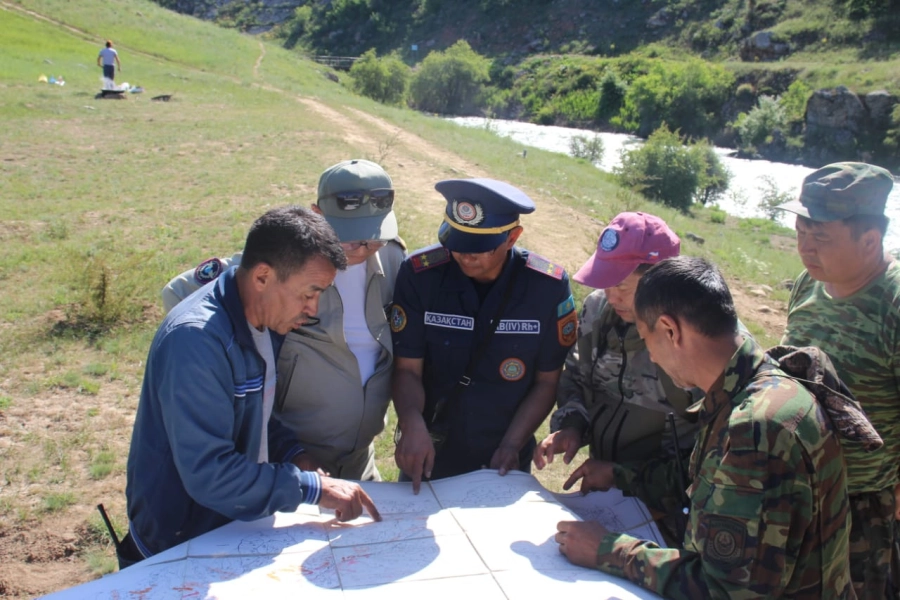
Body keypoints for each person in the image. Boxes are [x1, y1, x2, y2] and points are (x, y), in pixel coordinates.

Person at [555, 256, 868, 598]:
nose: (653, 357)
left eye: (646, 340)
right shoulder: (754, 388)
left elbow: (725, 589)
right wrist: (621, 476)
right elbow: (711, 483)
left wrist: (609, 550)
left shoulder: (756, 428)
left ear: (670, 330)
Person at [123, 206, 380, 568]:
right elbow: (210, 474)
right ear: (262, 276)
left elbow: (254, 414)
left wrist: (294, 454)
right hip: (179, 547)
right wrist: (311, 488)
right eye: (309, 293)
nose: (313, 308)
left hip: (230, 531)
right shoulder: (196, 342)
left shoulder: (262, 320)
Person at [160, 159, 405, 481]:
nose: (363, 249)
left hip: (359, 457)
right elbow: (177, 293)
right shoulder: (286, 265)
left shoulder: (393, 258)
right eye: (352, 239)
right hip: (291, 457)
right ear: (317, 215)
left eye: (374, 238)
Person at [390, 178, 577, 493]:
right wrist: (411, 422)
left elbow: (547, 381)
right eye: (457, 243)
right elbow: (408, 369)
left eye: (479, 248)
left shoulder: (547, 287)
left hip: (503, 452)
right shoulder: (420, 276)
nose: (465, 256)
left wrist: (511, 445)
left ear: (512, 237)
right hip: (430, 444)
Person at [534, 212, 699, 544]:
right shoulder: (600, 310)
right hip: (608, 496)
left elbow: (708, 461)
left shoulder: (697, 339)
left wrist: (621, 475)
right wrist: (572, 425)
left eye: (622, 286)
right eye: (605, 281)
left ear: (661, 281)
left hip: (674, 513)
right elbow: (577, 375)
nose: (611, 296)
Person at [778, 162, 899, 599]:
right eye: (800, 233)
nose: (806, 249)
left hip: (863, 508)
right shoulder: (809, 285)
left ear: (870, 240)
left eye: (821, 237)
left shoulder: (893, 303)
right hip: (797, 491)